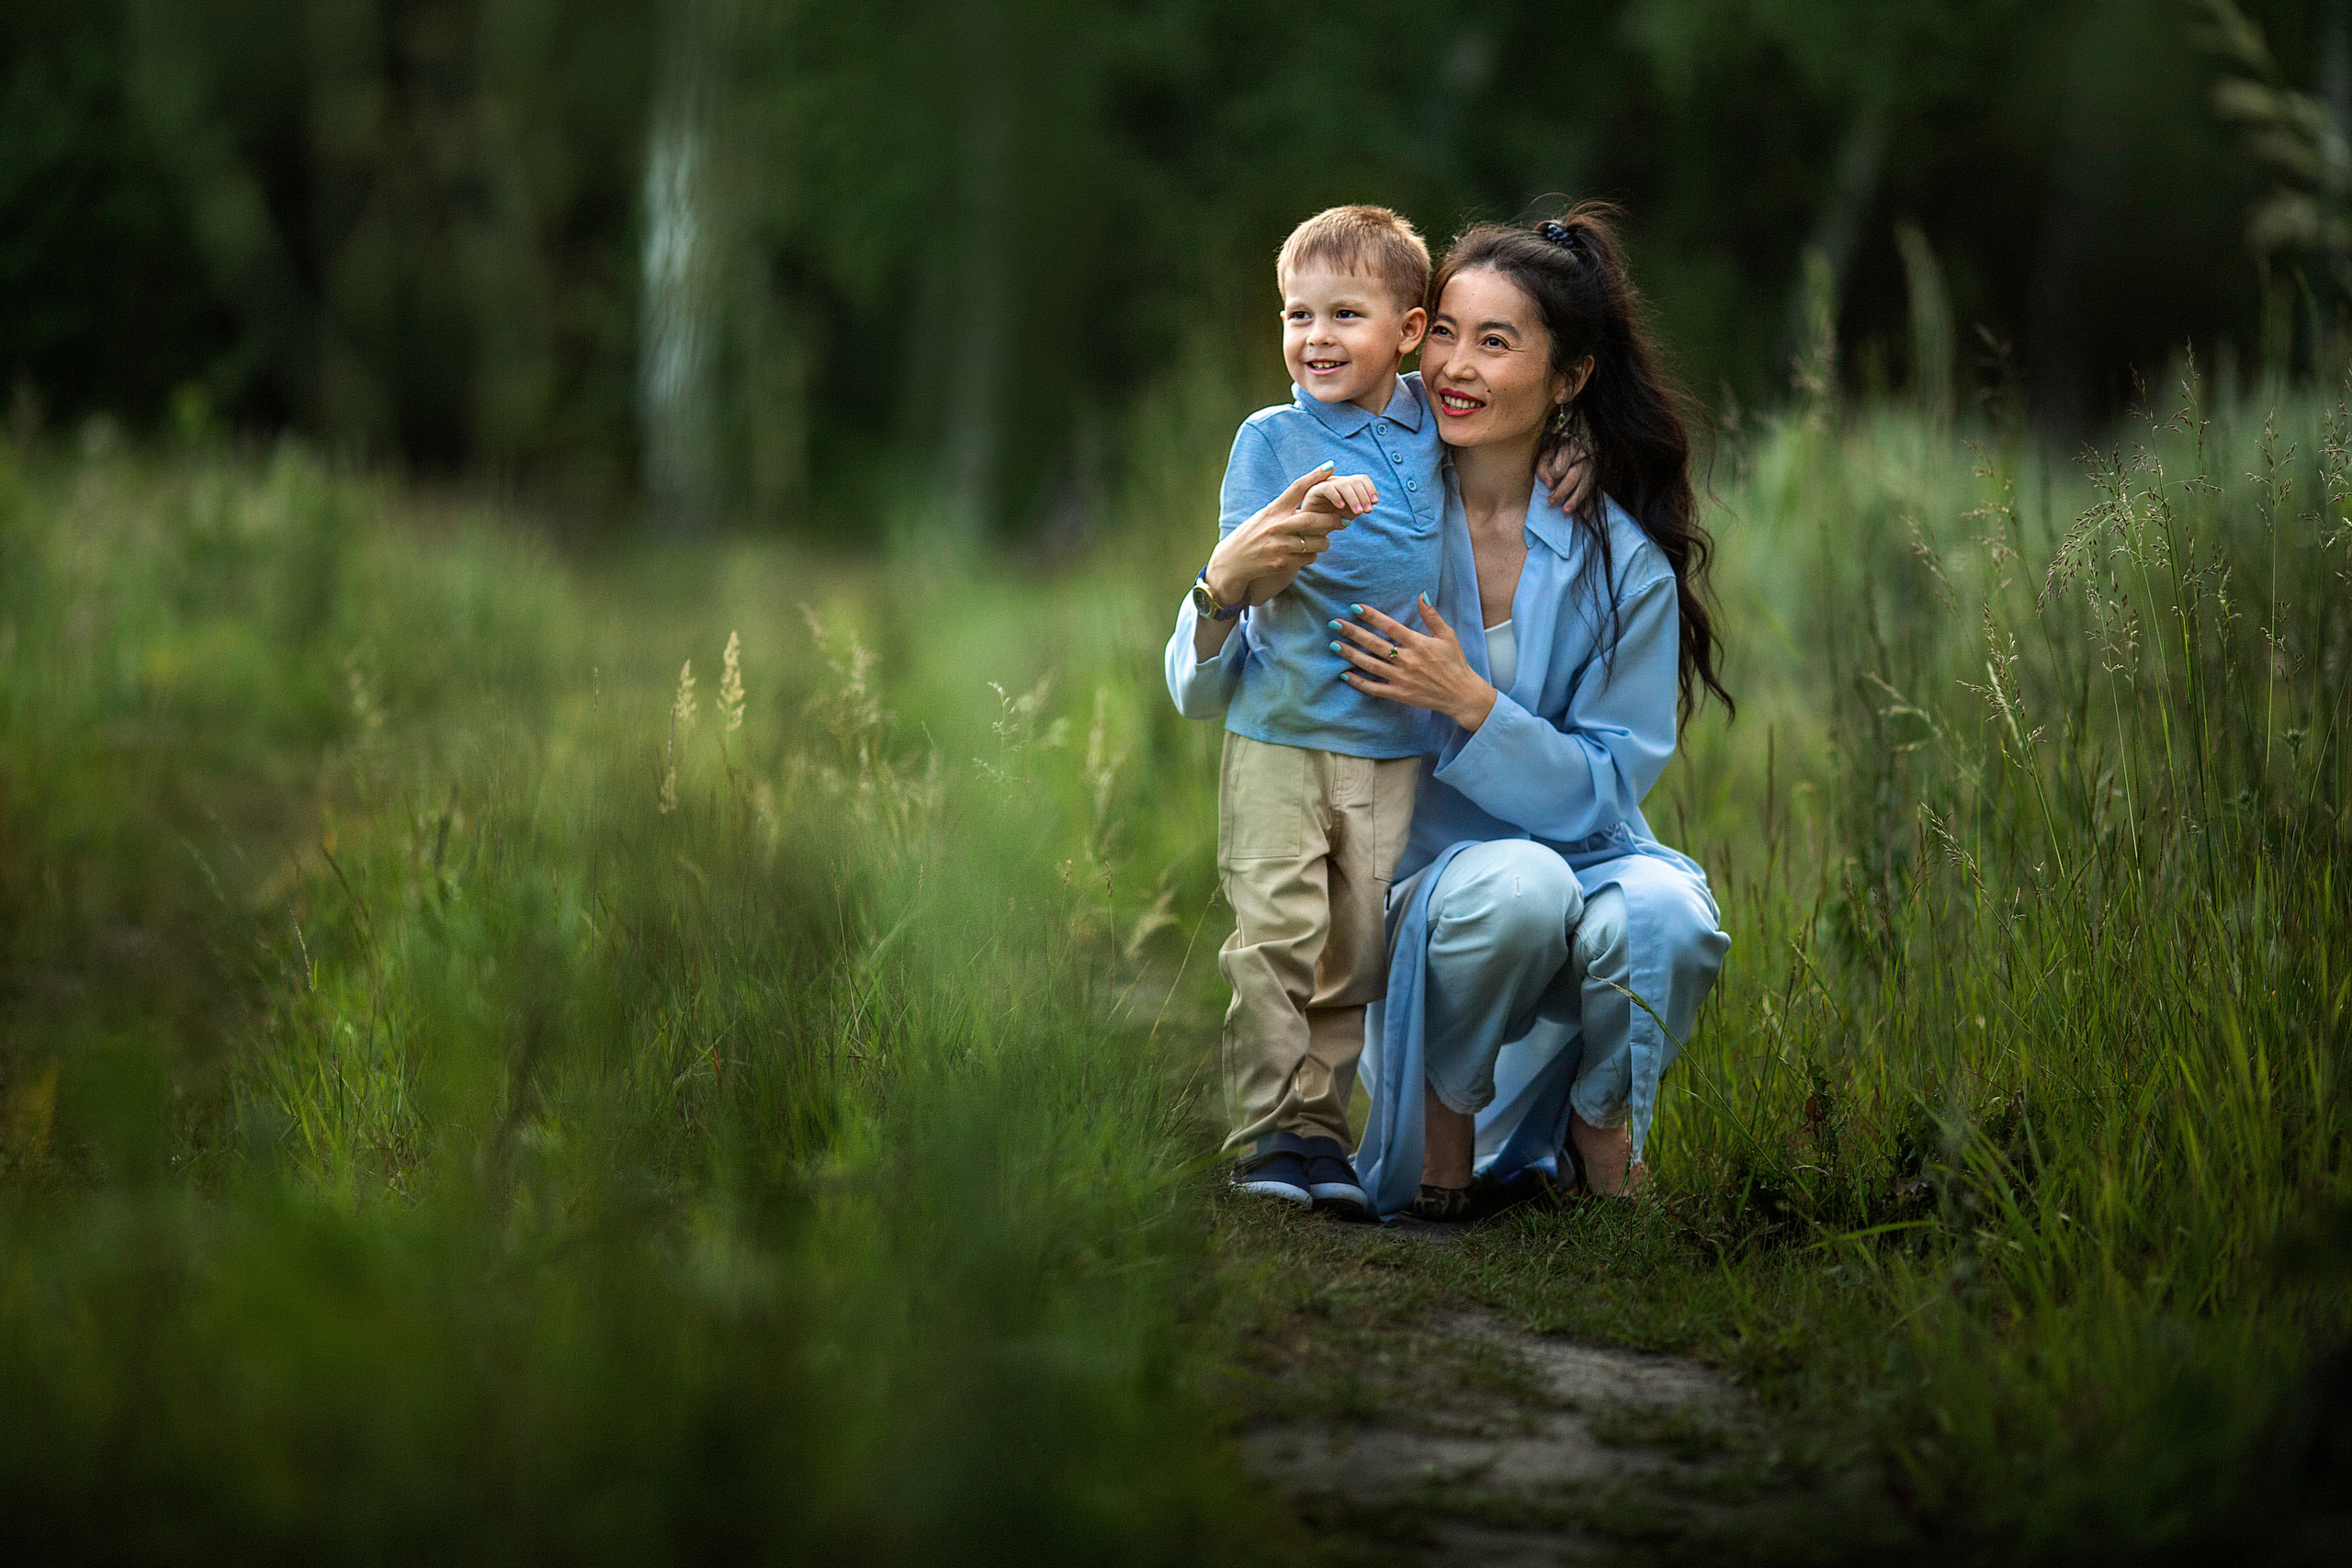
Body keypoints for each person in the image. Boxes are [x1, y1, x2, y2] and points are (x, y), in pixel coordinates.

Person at [1170, 205, 1731, 1223]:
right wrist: (1215, 591)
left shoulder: (1618, 560)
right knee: (1511, 890)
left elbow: (1609, 785)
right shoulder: (1378, 507)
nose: (1456, 368)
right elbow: (1228, 665)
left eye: (1496, 341)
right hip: (1425, 879)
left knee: (1670, 916)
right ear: (1416, 337)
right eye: (1448, 336)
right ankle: (1433, 1129)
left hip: (1581, 844)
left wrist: (1474, 705)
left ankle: (1598, 1130)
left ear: (1570, 380)